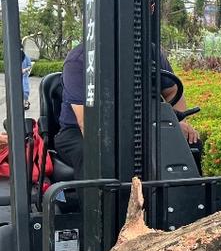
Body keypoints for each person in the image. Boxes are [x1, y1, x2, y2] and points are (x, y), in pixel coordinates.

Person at [55, 42, 198, 179]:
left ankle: (181, 199)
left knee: (190, 143)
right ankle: (99, 204)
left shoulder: (150, 51)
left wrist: (177, 124)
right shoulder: (79, 60)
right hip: (80, 131)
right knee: (91, 155)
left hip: (142, 126)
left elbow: (172, 91)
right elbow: (87, 123)